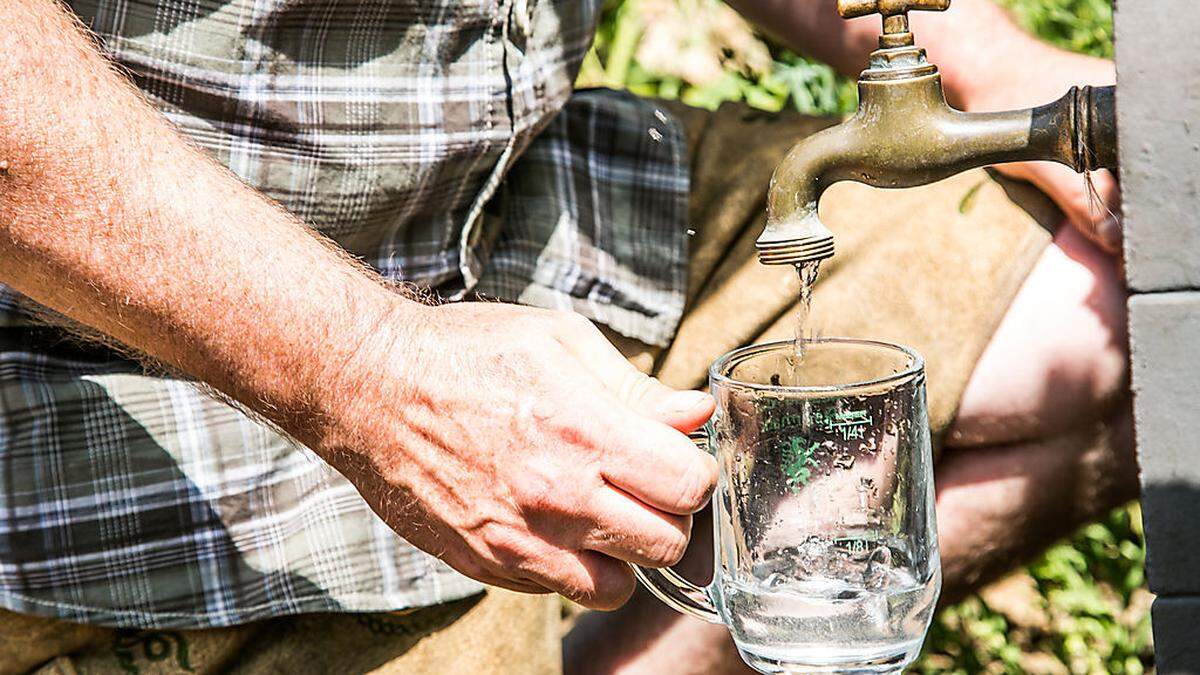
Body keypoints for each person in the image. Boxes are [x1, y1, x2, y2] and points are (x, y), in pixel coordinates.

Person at [0, 0, 1131, 673]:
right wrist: (370, 375)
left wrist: (1000, 79)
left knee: (1121, 307)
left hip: (513, 203)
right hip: (141, 363)